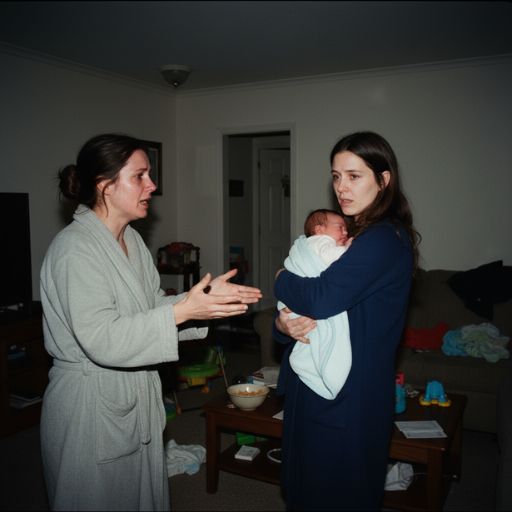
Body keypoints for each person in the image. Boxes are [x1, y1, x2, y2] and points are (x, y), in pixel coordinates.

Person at [39, 133, 262, 511]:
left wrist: (203, 300)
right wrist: (183, 311)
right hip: (89, 407)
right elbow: (102, 338)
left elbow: (150, 306)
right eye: (140, 176)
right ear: (105, 185)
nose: (152, 185)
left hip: (132, 394)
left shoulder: (131, 241)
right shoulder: (74, 250)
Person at [274, 131, 420, 511]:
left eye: (354, 176)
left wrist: (280, 278)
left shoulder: (383, 240)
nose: (341, 187)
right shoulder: (352, 233)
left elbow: (320, 297)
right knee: (307, 485)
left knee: (334, 492)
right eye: (337, 176)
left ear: (383, 180)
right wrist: (283, 326)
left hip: (348, 395)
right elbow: (313, 305)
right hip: (319, 381)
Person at [278, 209, 353, 400]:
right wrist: (349, 249)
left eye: (346, 228)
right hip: (302, 305)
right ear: (319, 230)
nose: (345, 232)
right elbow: (332, 257)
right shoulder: (320, 242)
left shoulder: (318, 243)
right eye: (340, 227)